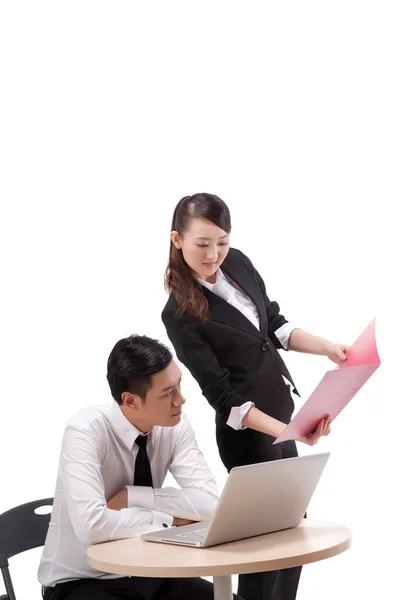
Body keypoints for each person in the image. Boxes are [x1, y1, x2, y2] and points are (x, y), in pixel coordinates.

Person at [162, 193, 349, 600]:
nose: (214, 254)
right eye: (203, 244)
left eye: (222, 241)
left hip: (282, 420)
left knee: (293, 538)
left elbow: (275, 326)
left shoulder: (239, 262)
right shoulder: (178, 311)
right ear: (177, 239)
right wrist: (290, 432)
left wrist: (327, 348)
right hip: (249, 434)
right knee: (264, 549)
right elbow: (223, 398)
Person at [38, 334, 243, 600]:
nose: (181, 400)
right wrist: (170, 521)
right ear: (131, 400)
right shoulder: (85, 431)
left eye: (179, 385)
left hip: (150, 573)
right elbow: (92, 526)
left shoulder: (175, 425)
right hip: (82, 581)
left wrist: (134, 497)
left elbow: (211, 504)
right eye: (167, 392)